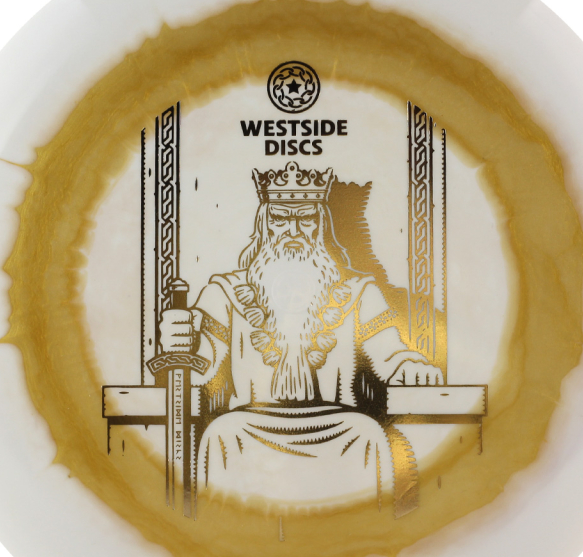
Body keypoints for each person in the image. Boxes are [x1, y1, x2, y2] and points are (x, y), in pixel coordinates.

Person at [158, 162, 442, 512]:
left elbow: (390, 353)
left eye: (305, 218)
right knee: (223, 432)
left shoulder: (357, 291)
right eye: (280, 218)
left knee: (366, 432)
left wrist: (411, 365)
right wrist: (180, 339)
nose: (293, 229)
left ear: (321, 224)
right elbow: (200, 367)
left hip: (340, 424)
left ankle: (363, 534)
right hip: (247, 424)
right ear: (264, 224)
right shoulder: (225, 291)